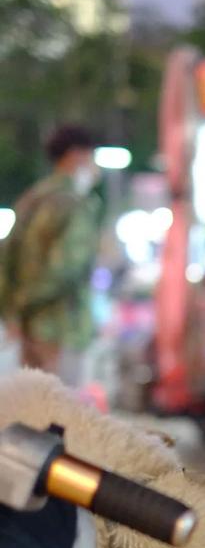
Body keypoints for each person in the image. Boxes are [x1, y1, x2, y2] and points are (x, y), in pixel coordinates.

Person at [0, 126, 103, 386]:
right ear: (76, 155)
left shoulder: (31, 199)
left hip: (29, 327)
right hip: (62, 327)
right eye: (91, 156)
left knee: (32, 414)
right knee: (60, 418)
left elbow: (6, 259)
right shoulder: (75, 204)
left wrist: (14, 310)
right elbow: (68, 266)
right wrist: (27, 302)